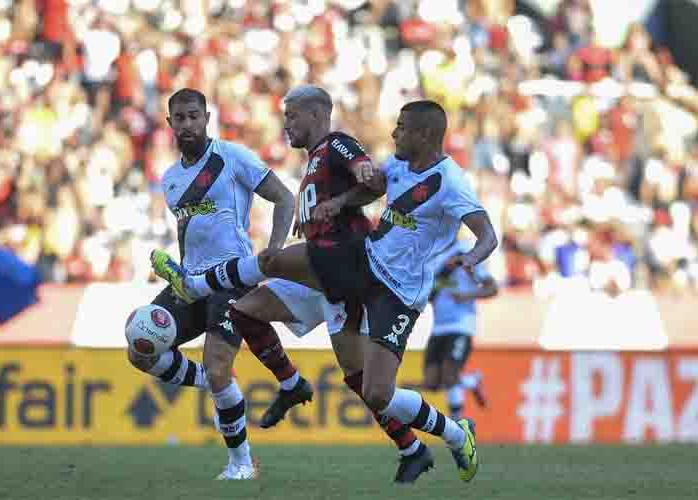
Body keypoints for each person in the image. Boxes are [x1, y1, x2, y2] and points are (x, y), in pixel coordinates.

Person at [155, 100, 498, 482]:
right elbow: (372, 188)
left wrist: (472, 257)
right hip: (361, 263)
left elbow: (488, 235)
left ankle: (453, 436)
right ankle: (204, 294)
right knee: (264, 277)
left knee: (376, 392)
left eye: (402, 127)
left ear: (424, 135)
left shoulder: (448, 180)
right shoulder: (397, 164)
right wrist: (338, 202)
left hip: (398, 293)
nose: (393, 133)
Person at [127, 88, 295, 480]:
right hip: (190, 283)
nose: (187, 124)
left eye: (193, 116)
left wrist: (274, 250)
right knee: (140, 351)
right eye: (179, 118)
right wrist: (178, 270)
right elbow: (192, 233)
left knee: (220, 369)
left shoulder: (232, 158)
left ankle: (241, 464)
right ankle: (210, 381)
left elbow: (284, 199)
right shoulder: (170, 180)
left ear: (206, 118)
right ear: (169, 123)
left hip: (231, 280)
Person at [424, 238, 497, 420]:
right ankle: (471, 381)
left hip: (461, 324)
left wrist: (466, 295)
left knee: (449, 374)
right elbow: (431, 293)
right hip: (438, 326)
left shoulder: (466, 252)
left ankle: (458, 424)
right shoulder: (432, 254)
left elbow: (492, 288)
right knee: (431, 382)